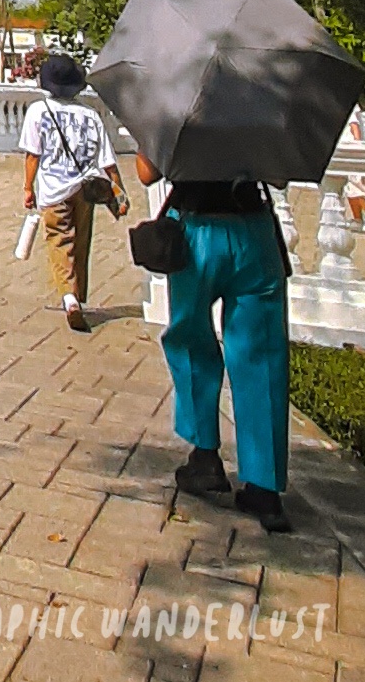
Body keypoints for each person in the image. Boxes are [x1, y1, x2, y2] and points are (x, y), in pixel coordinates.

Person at [135, 150, 292, 533]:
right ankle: (265, 488)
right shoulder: (261, 97)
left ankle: (205, 454)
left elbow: (146, 173)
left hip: (197, 232)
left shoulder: (178, 96)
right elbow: (280, 178)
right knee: (262, 357)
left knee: (191, 342)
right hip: (255, 233)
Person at [20, 52, 127, 331]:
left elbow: (33, 156)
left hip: (53, 189)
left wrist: (27, 188)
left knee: (59, 241)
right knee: (81, 242)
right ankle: (78, 295)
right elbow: (107, 160)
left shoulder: (38, 111)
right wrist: (120, 192)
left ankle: (69, 299)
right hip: (85, 189)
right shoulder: (90, 115)